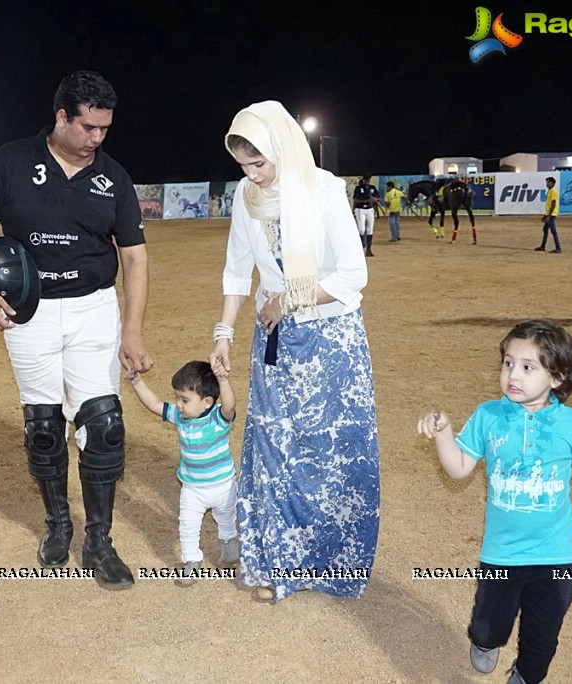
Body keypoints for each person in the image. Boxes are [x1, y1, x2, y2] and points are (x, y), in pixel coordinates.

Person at [0, 70, 153, 590]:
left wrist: (133, 330)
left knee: (103, 425)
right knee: (43, 428)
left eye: (105, 128)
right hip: (28, 314)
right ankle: (58, 524)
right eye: (88, 127)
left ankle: (99, 540)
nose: (97, 138)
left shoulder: (114, 177)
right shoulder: (11, 161)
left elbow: (134, 255)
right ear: (61, 117)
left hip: (93, 311)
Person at [210, 100, 380, 603]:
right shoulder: (246, 197)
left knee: (331, 454)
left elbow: (353, 275)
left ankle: (330, 563)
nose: (252, 176)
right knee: (276, 450)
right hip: (277, 343)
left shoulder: (323, 189)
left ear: (282, 149)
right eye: (243, 166)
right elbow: (238, 270)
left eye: (259, 164)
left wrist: (290, 297)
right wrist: (224, 332)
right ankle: (276, 563)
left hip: (332, 342)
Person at [417, 320, 572, 684]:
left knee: (543, 635)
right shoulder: (488, 416)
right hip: (502, 553)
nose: (513, 374)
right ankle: (486, 642)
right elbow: (458, 469)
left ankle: (527, 675)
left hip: (558, 554)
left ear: (557, 378)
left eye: (528, 367)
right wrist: (444, 434)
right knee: (488, 622)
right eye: (508, 363)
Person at [127, 361, 239, 587]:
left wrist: (223, 380)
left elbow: (229, 404)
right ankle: (191, 561)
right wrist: (137, 382)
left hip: (224, 486)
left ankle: (228, 545)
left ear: (207, 402)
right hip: (192, 489)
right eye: (177, 398)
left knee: (227, 518)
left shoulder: (219, 417)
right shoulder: (181, 417)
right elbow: (155, 404)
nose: (178, 404)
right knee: (187, 525)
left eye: (184, 400)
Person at [353, 175, 380, 256]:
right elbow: (355, 200)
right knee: (361, 229)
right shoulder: (358, 188)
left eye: (368, 180)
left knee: (370, 230)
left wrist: (375, 200)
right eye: (366, 180)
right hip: (360, 209)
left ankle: (368, 249)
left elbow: (377, 198)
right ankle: (360, 248)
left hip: (369, 209)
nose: (367, 181)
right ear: (363, 180)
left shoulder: (372, 188)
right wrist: (366, 200)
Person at [534, 176, 561, 253]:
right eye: (547, 182)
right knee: (545, 230)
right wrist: (545, 215)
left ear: (552, 183)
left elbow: (553, 204)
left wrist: (548, 216)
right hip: (549, 214)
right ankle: (543, 246)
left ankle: (558, 248)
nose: (547, 183)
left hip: (551, 215)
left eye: (548, 182)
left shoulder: (553, 192)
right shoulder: (550, 191)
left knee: (553, 231)